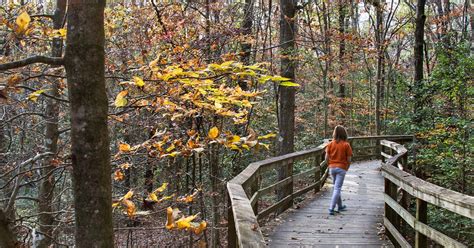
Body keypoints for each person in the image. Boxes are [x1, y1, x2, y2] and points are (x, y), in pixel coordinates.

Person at [325, 125, 353, 215]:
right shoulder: (346, 145)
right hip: (341, 168)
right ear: (344, 134)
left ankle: (340, 206)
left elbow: (326, 158)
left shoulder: (330, 144)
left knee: (336, 187)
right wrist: (347, 167)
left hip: (332, 168)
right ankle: (331, 208)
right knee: (337, 188)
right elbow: (349, 159)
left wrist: (329, 165)